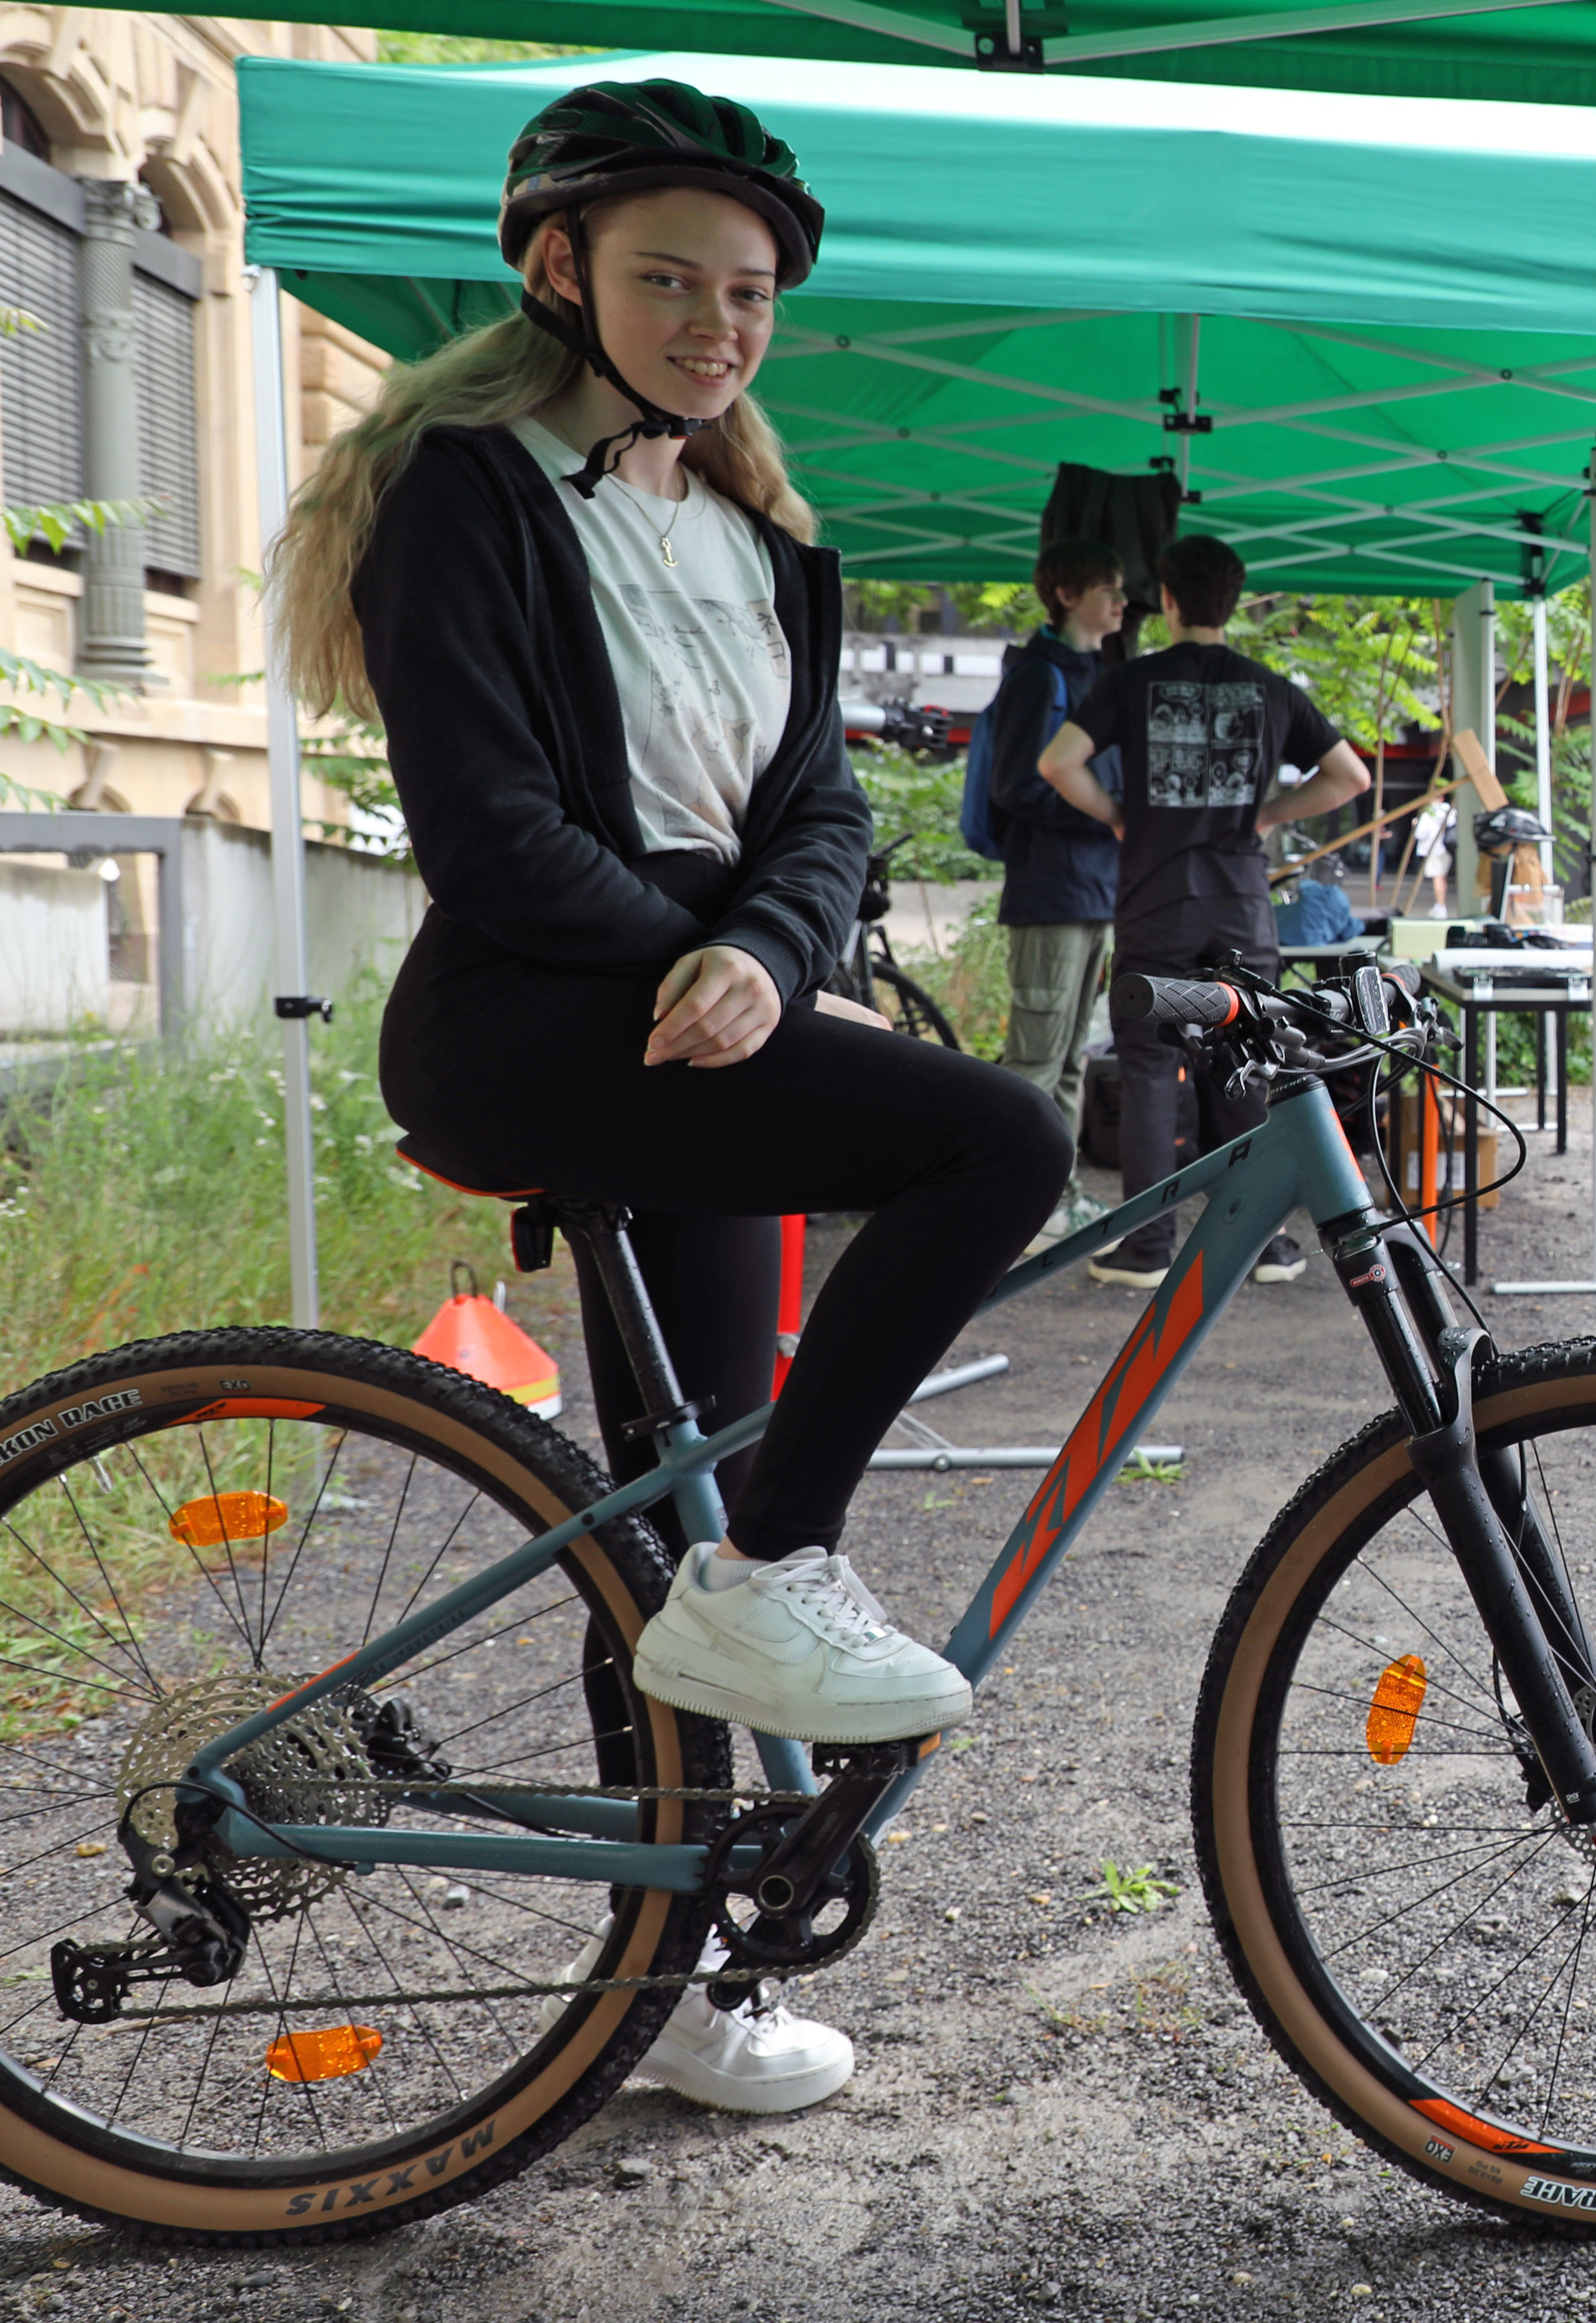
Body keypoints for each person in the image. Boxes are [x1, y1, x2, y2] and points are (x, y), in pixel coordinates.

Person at [273, 80, 1071, 2113]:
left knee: (677, 1496)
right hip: (539, 1011)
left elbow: (820, 816)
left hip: (705, 1009)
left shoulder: (764, 541)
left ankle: (688, 1976)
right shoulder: (466, 493)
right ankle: (775, 1574)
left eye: (748, 293)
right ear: (561, 271)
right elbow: (489, 826)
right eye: (670, 282)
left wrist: (769, 962)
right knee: (1000, 1137)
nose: (718, 325)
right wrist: (690, 962)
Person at [1038, 533, 1371, 1289]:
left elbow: (1056, 763)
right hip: (1241, 903)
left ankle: (1148, 1247)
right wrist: (1267, 813)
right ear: (1234, 599)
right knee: (1247, 1060)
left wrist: (1119, 817)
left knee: (1150, 1065)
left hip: (1157, 900)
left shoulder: (1131, 681)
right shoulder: (1270, 688)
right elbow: (1350, 776)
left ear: (1170, 599)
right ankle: (1262, 1243)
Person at [988, 535, 1127, 1252]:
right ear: (1068, 595)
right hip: (1050, 892)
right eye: (1109, 588)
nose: (1122, 601)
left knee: (1071, 1057)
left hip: (1091, 892)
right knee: (1036, 1059)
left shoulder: (1090, 671)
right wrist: (1106, 813)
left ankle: (1054, 1194)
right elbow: (1015, 785)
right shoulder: (1039, 677)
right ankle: (1007, 1205)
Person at [1404, 787, 1454, 917]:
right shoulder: (1450, 811)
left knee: (1437, 878)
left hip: (1433, 849)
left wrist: (1415, 825)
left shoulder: (1428, 814)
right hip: (1447, 848)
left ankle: (1441, 906)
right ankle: (1440, 904)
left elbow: (1421, 834)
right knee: (1442, 877)